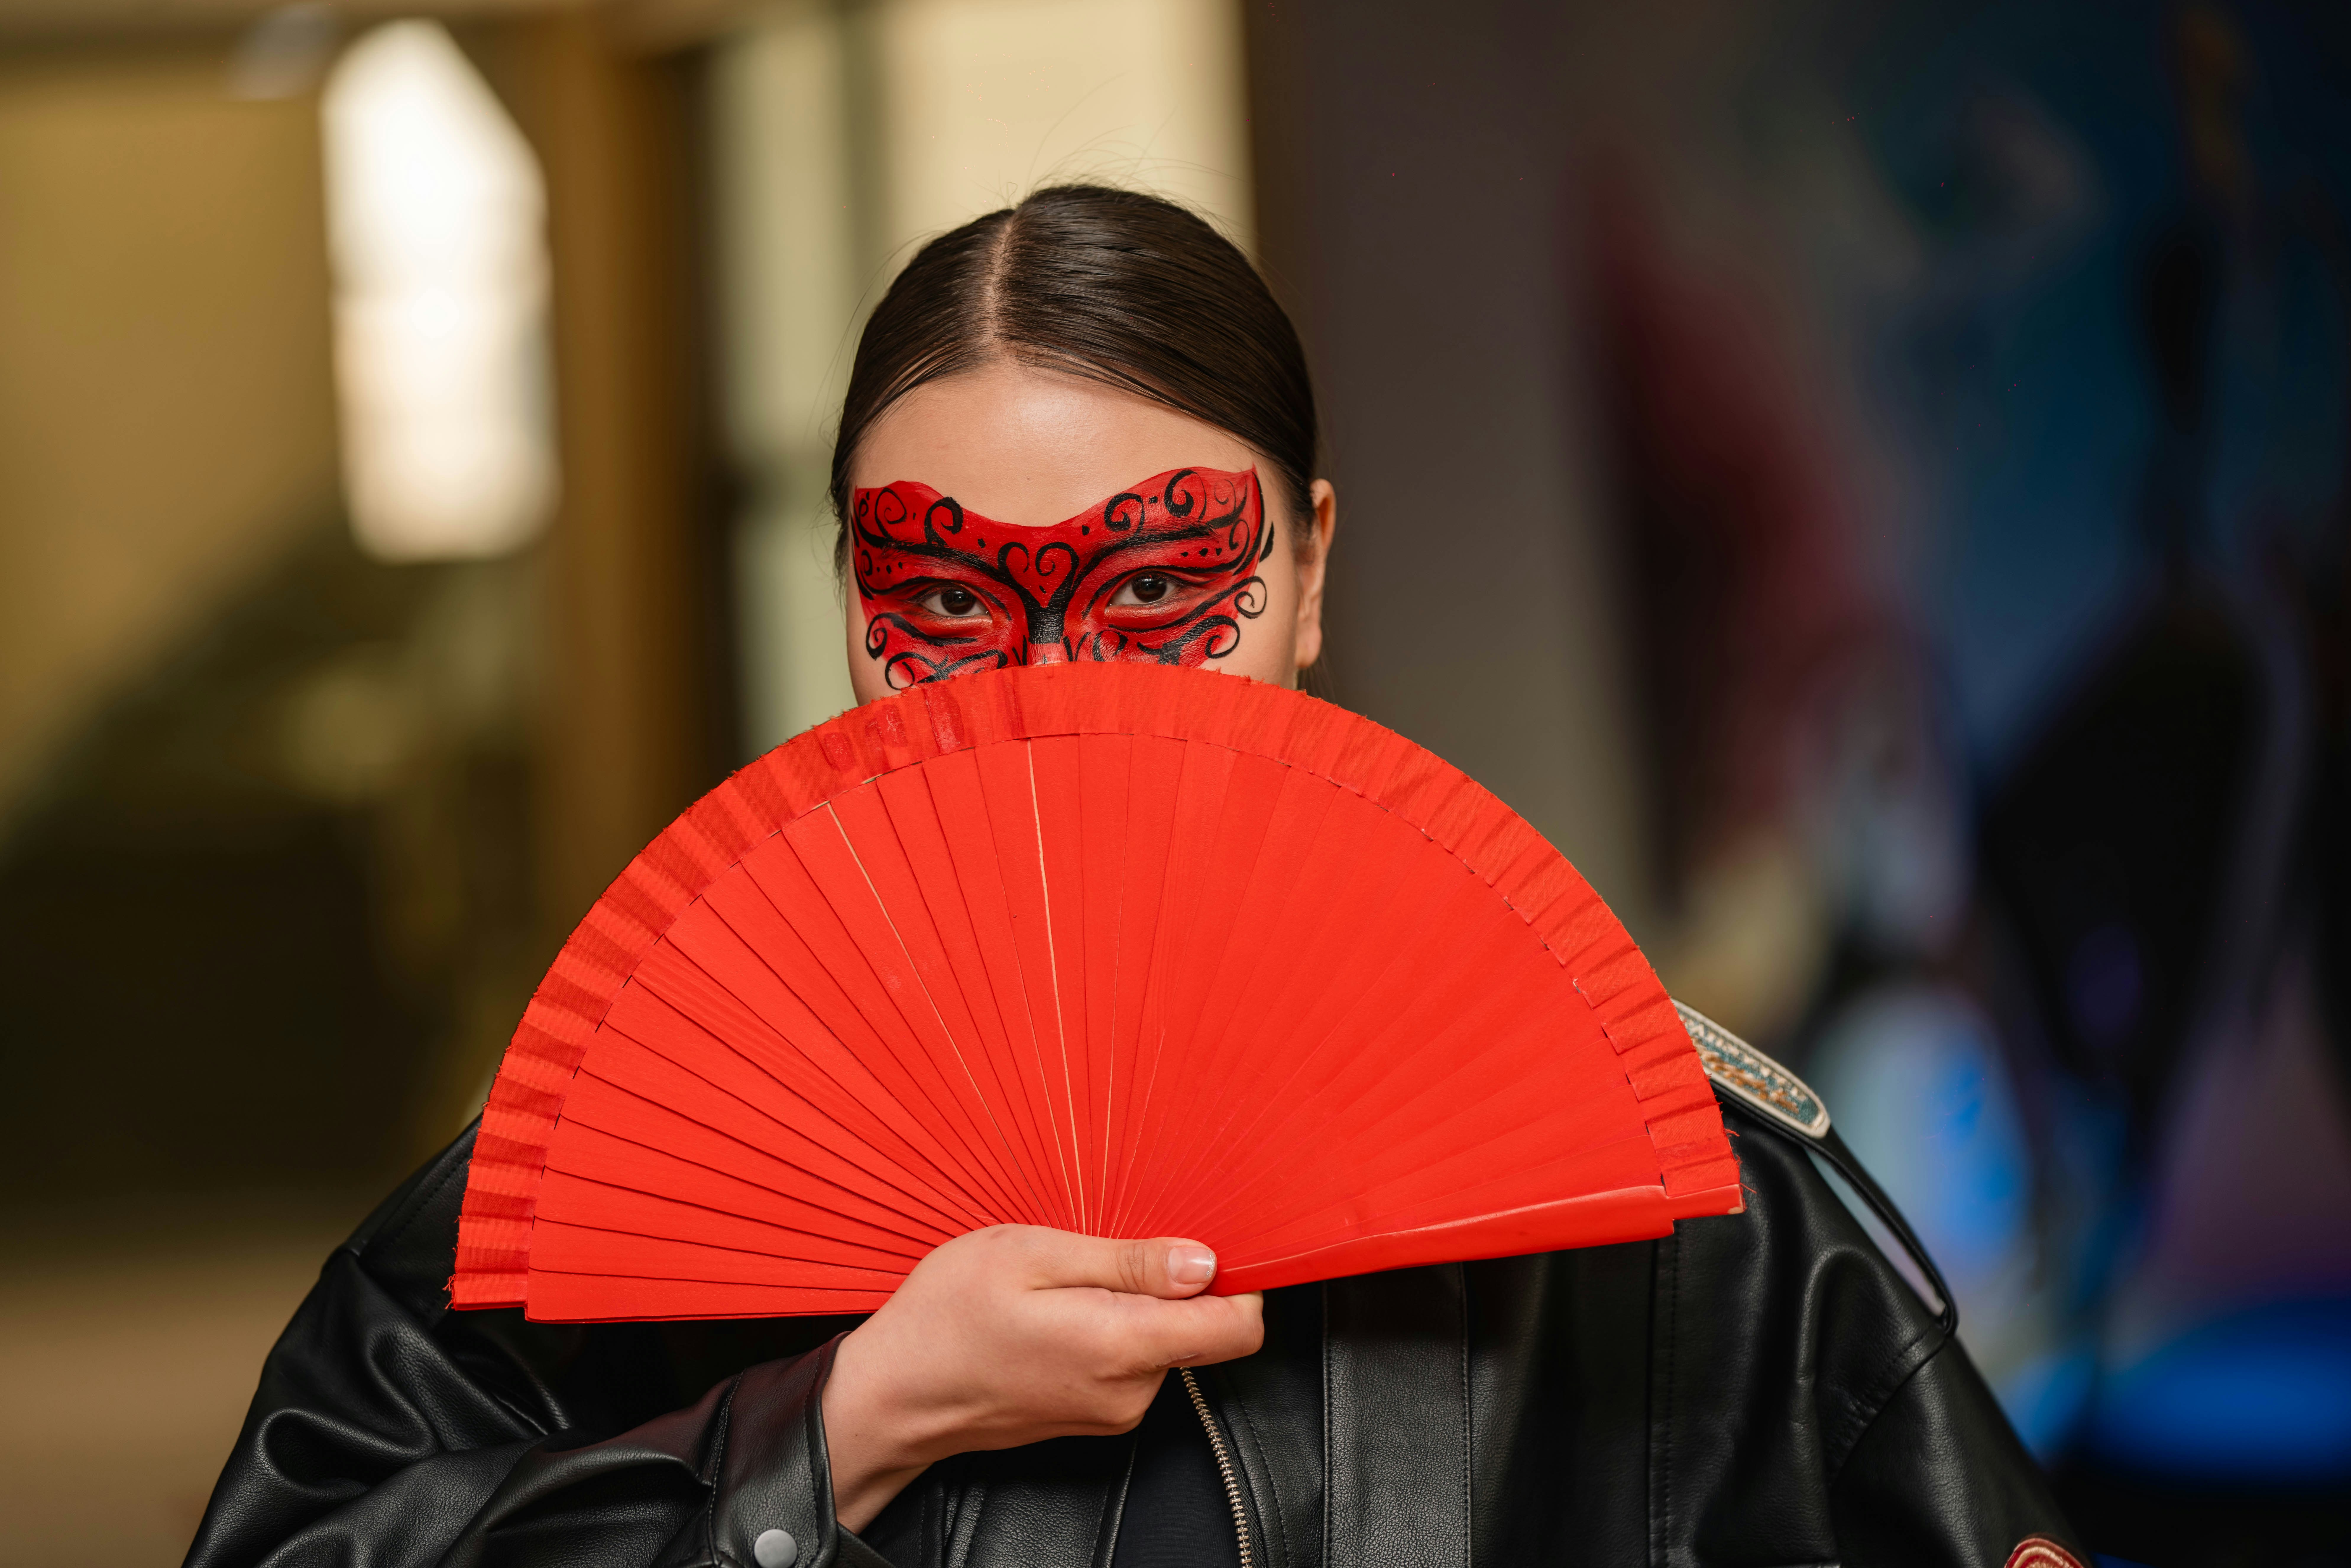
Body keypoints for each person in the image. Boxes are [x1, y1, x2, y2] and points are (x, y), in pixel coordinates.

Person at [185, 185, 2085, 1568]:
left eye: (1162, 594)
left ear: (1313, 567)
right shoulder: (622, 1159)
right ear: (846, 597)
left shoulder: (1677, 1181)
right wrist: (834, 1437)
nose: (1056, 706)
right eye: (944, 603)